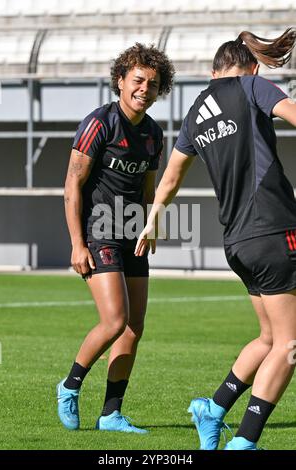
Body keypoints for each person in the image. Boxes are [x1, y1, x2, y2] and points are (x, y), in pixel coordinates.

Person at [135, 28, 296, 449]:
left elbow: (170, 177)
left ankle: (213, 407)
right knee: (291, 344)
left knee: (268, 338)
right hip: (274, 230)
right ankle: (245, 441)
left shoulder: (197, 109)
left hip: (237, 242)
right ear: (252, 67)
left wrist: (152, 220)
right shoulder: (252, 86)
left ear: (213, 73)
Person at [57, 43, 174, 433]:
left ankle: (111, 413)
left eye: (153, 84)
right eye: (138, 80)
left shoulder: (154, 134)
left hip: (131, 234)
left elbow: (149, 186)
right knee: (114, 320)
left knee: (134, 326)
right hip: (98, 231)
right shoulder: (99, 123)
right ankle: (70, 385)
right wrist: (76, 242)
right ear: (121, 81)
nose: (145, 88)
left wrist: (151, 224)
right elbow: (73, 184)